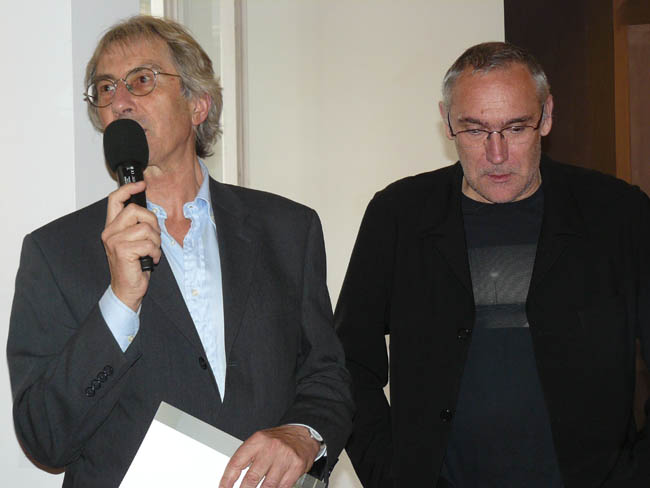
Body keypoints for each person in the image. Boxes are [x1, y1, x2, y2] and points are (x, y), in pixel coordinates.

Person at [7, 15, 353, 488]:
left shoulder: (289, 230)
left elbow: (327, 376)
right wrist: (120, 302)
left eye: (141, 80)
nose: (120, 101)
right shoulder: (55, 253)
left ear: (197, 104)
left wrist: (303, 434)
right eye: (106, 88)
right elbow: (45, 438)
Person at [335, 41, 650, 487]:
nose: (497, 154)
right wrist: (391, 475)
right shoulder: (399, 215)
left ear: (547, 115)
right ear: (447, 122)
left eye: (516, 128)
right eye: (475, 130)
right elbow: (348, 361)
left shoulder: (617, 213)